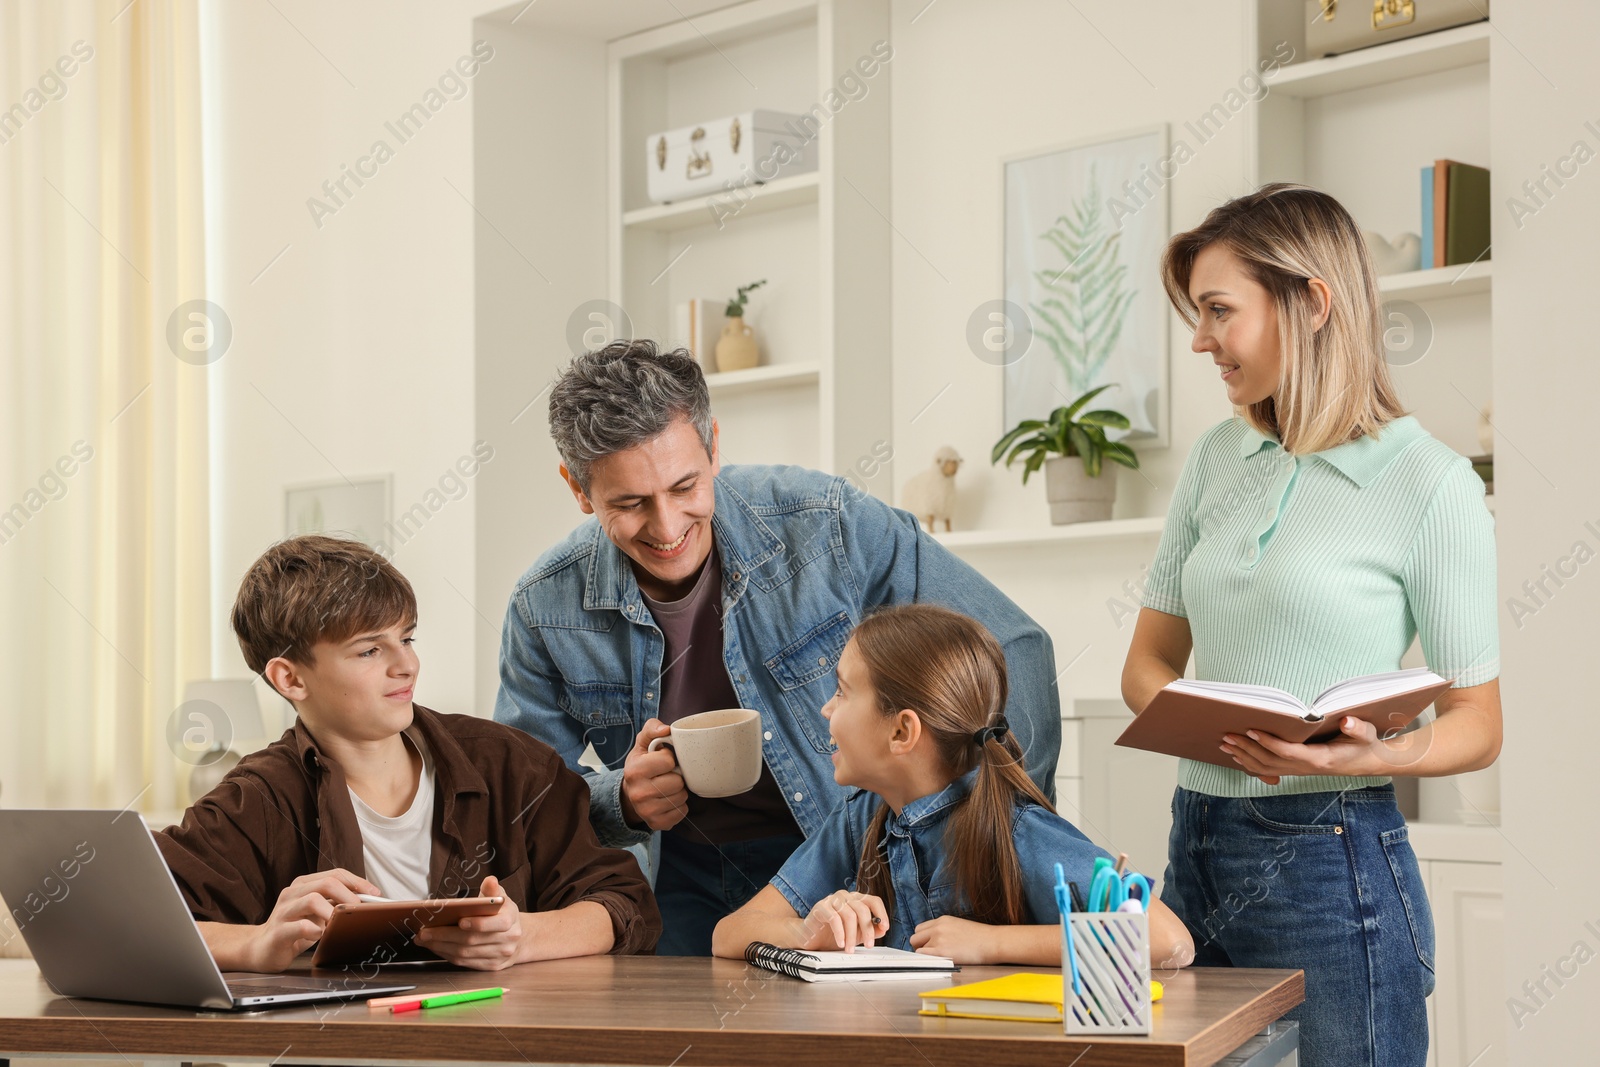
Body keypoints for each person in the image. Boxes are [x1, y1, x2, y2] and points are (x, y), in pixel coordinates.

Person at [494, 340, 1062, 956]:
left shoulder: (826, 524)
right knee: (685, 1046)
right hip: (671, 877)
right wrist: (622, 800)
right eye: (630, 504)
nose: (666, 527)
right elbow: (525, 798)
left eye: (685, 486)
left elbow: (1017, 645)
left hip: (842, 857)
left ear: (712, 445)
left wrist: (990, 821)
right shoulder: (543, 605)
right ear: (578, 489)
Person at [1121, 184, 1500, 1067]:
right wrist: (1206, 719)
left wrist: (1366, 755)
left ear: (1312, 302)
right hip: (1198, 836)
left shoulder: (1431, 484)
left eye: (1220, 311)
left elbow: (1480, 724)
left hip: (1334, 858)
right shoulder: (1218, 457)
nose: (1200, 339)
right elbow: (1148, 659)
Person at [158, 535, 661, 972]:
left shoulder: (510, 764)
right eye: (369, 650)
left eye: (406, 638)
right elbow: (127, 922)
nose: (408, 665)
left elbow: (623, 904)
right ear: (289, 678)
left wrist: (522, 937)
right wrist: (258, 942)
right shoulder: (255, 802)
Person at [711, 604, 1194, 968]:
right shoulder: (860, 820)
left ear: (902, 732)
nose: (826, 710)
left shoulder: (1016, 829)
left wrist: (990, 943)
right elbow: (729, 934)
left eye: (841, 691)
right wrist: (806, 928)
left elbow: (1167, 940)